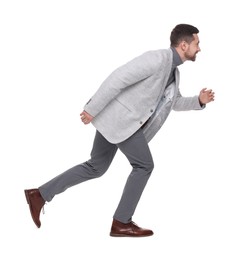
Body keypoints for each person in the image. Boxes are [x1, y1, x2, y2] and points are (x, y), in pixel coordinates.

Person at [24, 24, 215, 237]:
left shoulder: (174, 72)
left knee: (96, 167)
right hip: (123, 121)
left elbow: (174, 102)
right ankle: (121, 222)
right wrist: (92, 108)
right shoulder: (157, 59)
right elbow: (119, 77)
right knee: (144, 165)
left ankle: (39, 194)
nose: (199, 48)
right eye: (197, 43)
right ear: (183, 44)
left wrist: (198, 100)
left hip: (118, 122)